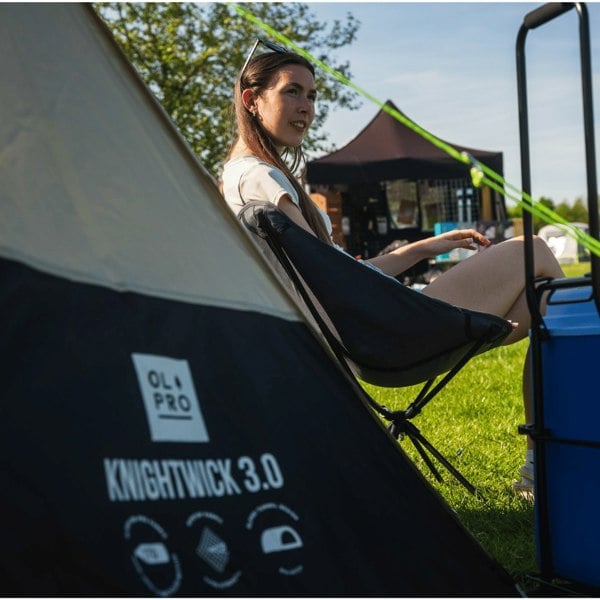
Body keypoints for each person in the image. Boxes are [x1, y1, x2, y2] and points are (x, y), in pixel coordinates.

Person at [220, 42, 565, 496]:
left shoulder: (240, 177)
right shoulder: (261, 177)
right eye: (292, 92)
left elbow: (335, 273)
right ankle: (547, 463)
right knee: (536, 251)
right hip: (386, 332)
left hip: (369, 332)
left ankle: (542, 468)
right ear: (252, 99)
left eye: (312, 95)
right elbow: (331, 281)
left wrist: (423, 247)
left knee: (545, 303)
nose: (306, 108)